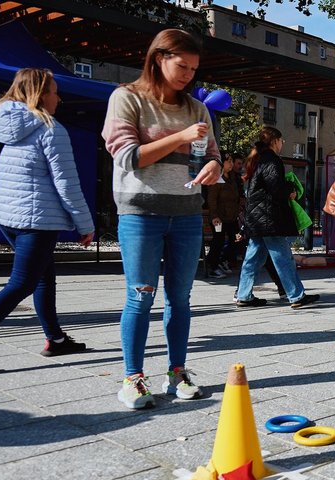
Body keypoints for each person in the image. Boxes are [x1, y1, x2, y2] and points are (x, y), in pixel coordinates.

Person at [0, 68, 95, 375]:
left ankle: (55, 338)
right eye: (54, 91)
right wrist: (85, 225)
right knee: (22, 282)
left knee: (42, 275)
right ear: (38, 95)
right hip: (37, 219)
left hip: (7, 216)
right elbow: (66, 183)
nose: (59, 97)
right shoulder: (50, 129)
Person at [102, 28, 222, 409]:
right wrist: (181, 136)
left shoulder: (197, 107)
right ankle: (133, 377)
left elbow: (212, 155)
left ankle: (177, 372)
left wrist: (214, 168)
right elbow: (128, 158)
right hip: (141, 212)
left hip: (186, 214)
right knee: (140, 296)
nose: (188, 74)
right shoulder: (127, 98)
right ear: (158, 58)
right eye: (181, 66)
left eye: (194, 68)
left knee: (181, 298)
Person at [234, 126, 319, 309]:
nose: (282, 144)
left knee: (253, 258)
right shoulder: (272, 160)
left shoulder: (258, 159)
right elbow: (276, 188)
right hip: (269, 217)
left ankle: (243, 295)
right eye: (282, 141)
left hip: (257, 217)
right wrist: (290, 190)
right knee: (283, 257)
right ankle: (296, 296)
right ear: (275, 141)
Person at [204, 151, 240, 279]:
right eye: (228, 161)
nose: (231, 164)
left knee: (235, 240)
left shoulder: (232, 178)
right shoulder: (216, 178)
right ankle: (213, 266)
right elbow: (212, 199)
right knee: (218, 241)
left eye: (231, 161)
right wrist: (214, 215)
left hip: (231, 216)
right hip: (219, 217)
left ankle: (223, 261)